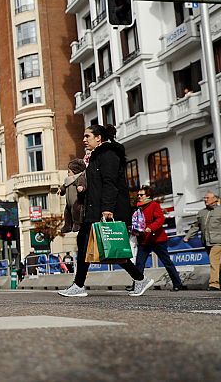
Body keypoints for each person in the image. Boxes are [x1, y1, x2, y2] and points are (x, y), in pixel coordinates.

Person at [58, 124, 153, 297]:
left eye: (87, 136)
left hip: (106, 210)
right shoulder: (94, 157)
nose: (84, 140)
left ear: (98, 138)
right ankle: (139, 279)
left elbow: (110, 183)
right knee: (105, 249)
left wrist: (107, 209)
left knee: (105, 248)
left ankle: (79, 286)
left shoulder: (108, 155)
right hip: (94, 209)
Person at [133, 186, 186, 291]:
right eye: (138, 195)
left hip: (157, 239)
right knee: (139, 263)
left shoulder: (154, 205)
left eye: (141, 195)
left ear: (148, 196)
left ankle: (177, 284)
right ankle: (136, 286)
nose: (139, 196)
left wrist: (151, 228)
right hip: (144, 240)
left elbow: (160, 219)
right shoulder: (138, 207)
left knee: (166, 262)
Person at [183, 191, 221, 291]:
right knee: (217, 263)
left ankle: (214, 284)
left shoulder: (220, 211)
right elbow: (195, 226)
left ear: (215, 199)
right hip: (207, 242)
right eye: (204, 198)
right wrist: (188, 236)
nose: (205, 200)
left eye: (207, 198)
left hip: (218, 242)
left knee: (214, 262)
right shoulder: (202, 212)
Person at [57, 159, 86, 234]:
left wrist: (81, 187)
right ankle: (67, 225)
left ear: (75, 171)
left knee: (76, 212)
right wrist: (61, 190)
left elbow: (82, 183)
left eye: (69, 171)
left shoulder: (79, 178)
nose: (68, 173)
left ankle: (77, 224)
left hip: (76, 201)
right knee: (67, 213)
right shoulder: (67, 180)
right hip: (68, 203)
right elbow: (64, 186)